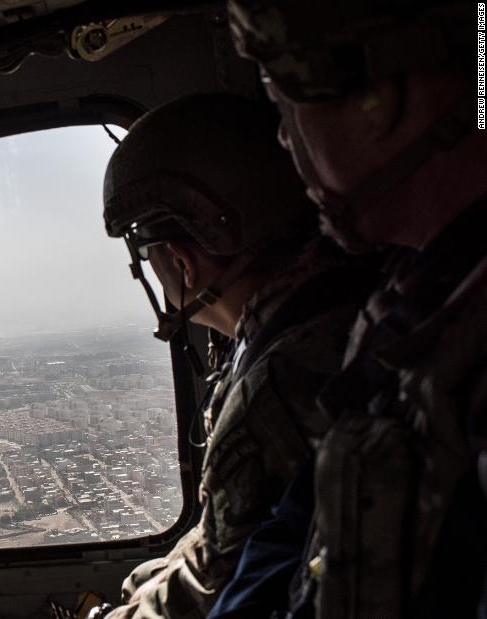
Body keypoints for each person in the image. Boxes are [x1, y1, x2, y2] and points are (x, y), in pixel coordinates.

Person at [224, 0, 487, 616]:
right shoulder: (413, 303)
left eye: (285, 103)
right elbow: (300, 526)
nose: (285, 139)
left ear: (382, 100)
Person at [95, 94, 377, 619]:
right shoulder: (337, 307)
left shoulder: (278, 385)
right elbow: (226, 541)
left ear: (181, 262)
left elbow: (212, 588)